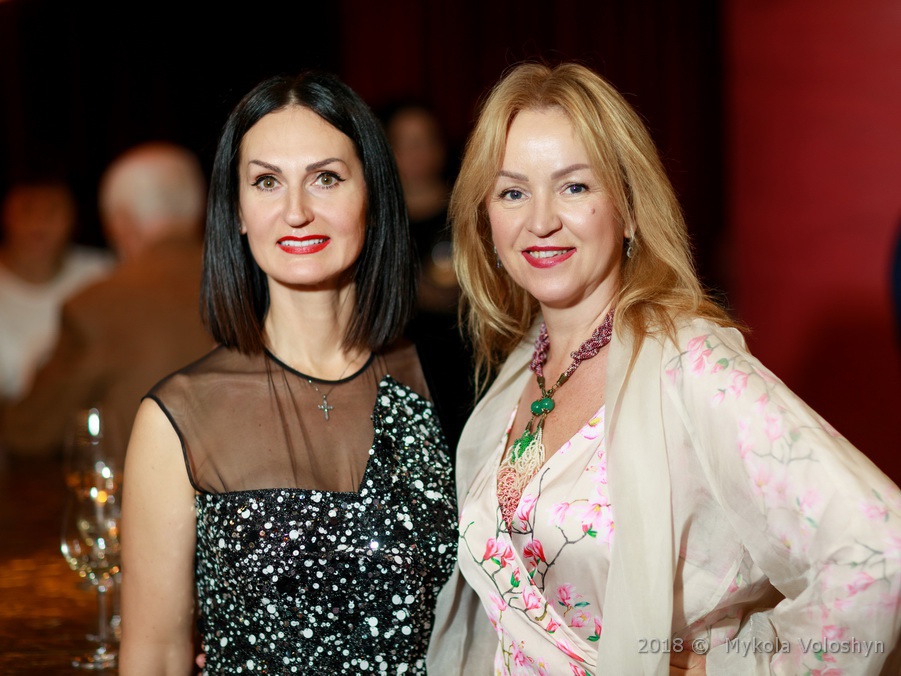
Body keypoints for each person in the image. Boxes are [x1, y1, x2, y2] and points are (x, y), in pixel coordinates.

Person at [427, 62, 901, 675]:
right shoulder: (522, 370)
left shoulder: (689, 363)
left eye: (575, 187)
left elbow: (879, 549)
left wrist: (729, 669)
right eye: (512, 192)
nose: (540, 221)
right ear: (486, 218)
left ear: (627, 209)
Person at [119, 72, 457, 674]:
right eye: (267, 181)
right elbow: (158, 654)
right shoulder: (178, 418)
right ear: (238, 211)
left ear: (373, 196)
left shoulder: (446, 378)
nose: (297, 212)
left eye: (326, 178)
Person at [0, 143, 212, 457]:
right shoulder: (256, 282)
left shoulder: (97, 304)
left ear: (122, 221)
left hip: (145, 483)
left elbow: (31, 430)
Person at [382, 100, 473, 449]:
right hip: (396, 366)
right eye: (405, 143)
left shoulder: (467, 213)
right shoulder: (373, 222)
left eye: (425, 140)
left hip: (464, 362)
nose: (417, 153)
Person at [0, 178, 112, 404]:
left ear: (73, 216)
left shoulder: (104, 275)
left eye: (52, 210)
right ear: (6, 213)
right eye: (27, 208)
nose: (38, 222)